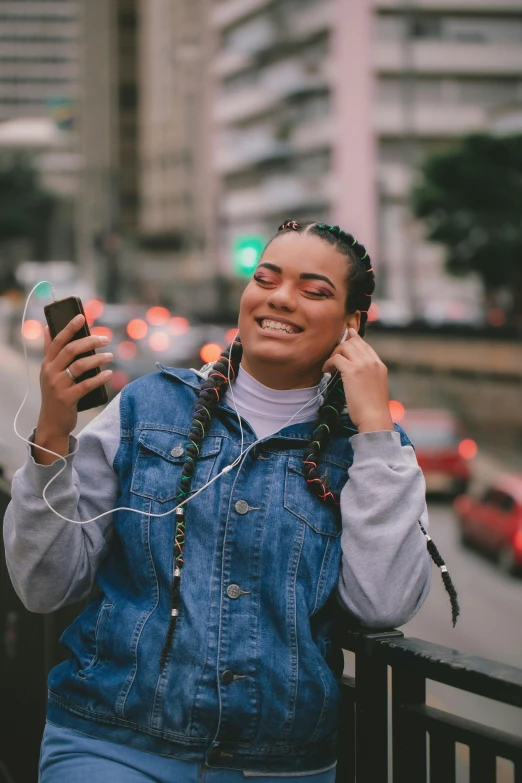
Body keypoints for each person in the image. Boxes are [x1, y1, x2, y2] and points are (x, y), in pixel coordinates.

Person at [4, 220, 457, 782]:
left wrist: (373, 425)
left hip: (279, 766)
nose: (280, 298)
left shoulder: (374, 455)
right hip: (109, 740)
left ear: (352, 326)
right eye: (265, 279)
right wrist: (52, 430)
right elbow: (44, 584)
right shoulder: (146, 408)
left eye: (314, 290)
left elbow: (382, 604)